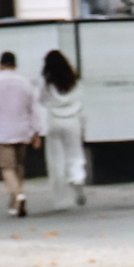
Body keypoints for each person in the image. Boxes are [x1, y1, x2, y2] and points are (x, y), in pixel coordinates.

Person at [0, 50, 42, 217]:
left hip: (2, 130)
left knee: (7, 168)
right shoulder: (25, 82)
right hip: (22, 128)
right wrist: (36, 131)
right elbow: (33, 108)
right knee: (19, 166)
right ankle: (15, 199)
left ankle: (18, 194)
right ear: (15, 65)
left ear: (0, 64)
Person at [40, 48, 88, 207]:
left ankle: (61, 198)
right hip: (73, 121)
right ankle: (77, 178)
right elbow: (81, 104)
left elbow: (41, 100)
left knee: (56, 160)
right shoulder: (75, 82)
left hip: (54, 121)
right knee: (74, 154)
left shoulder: (48, 83)